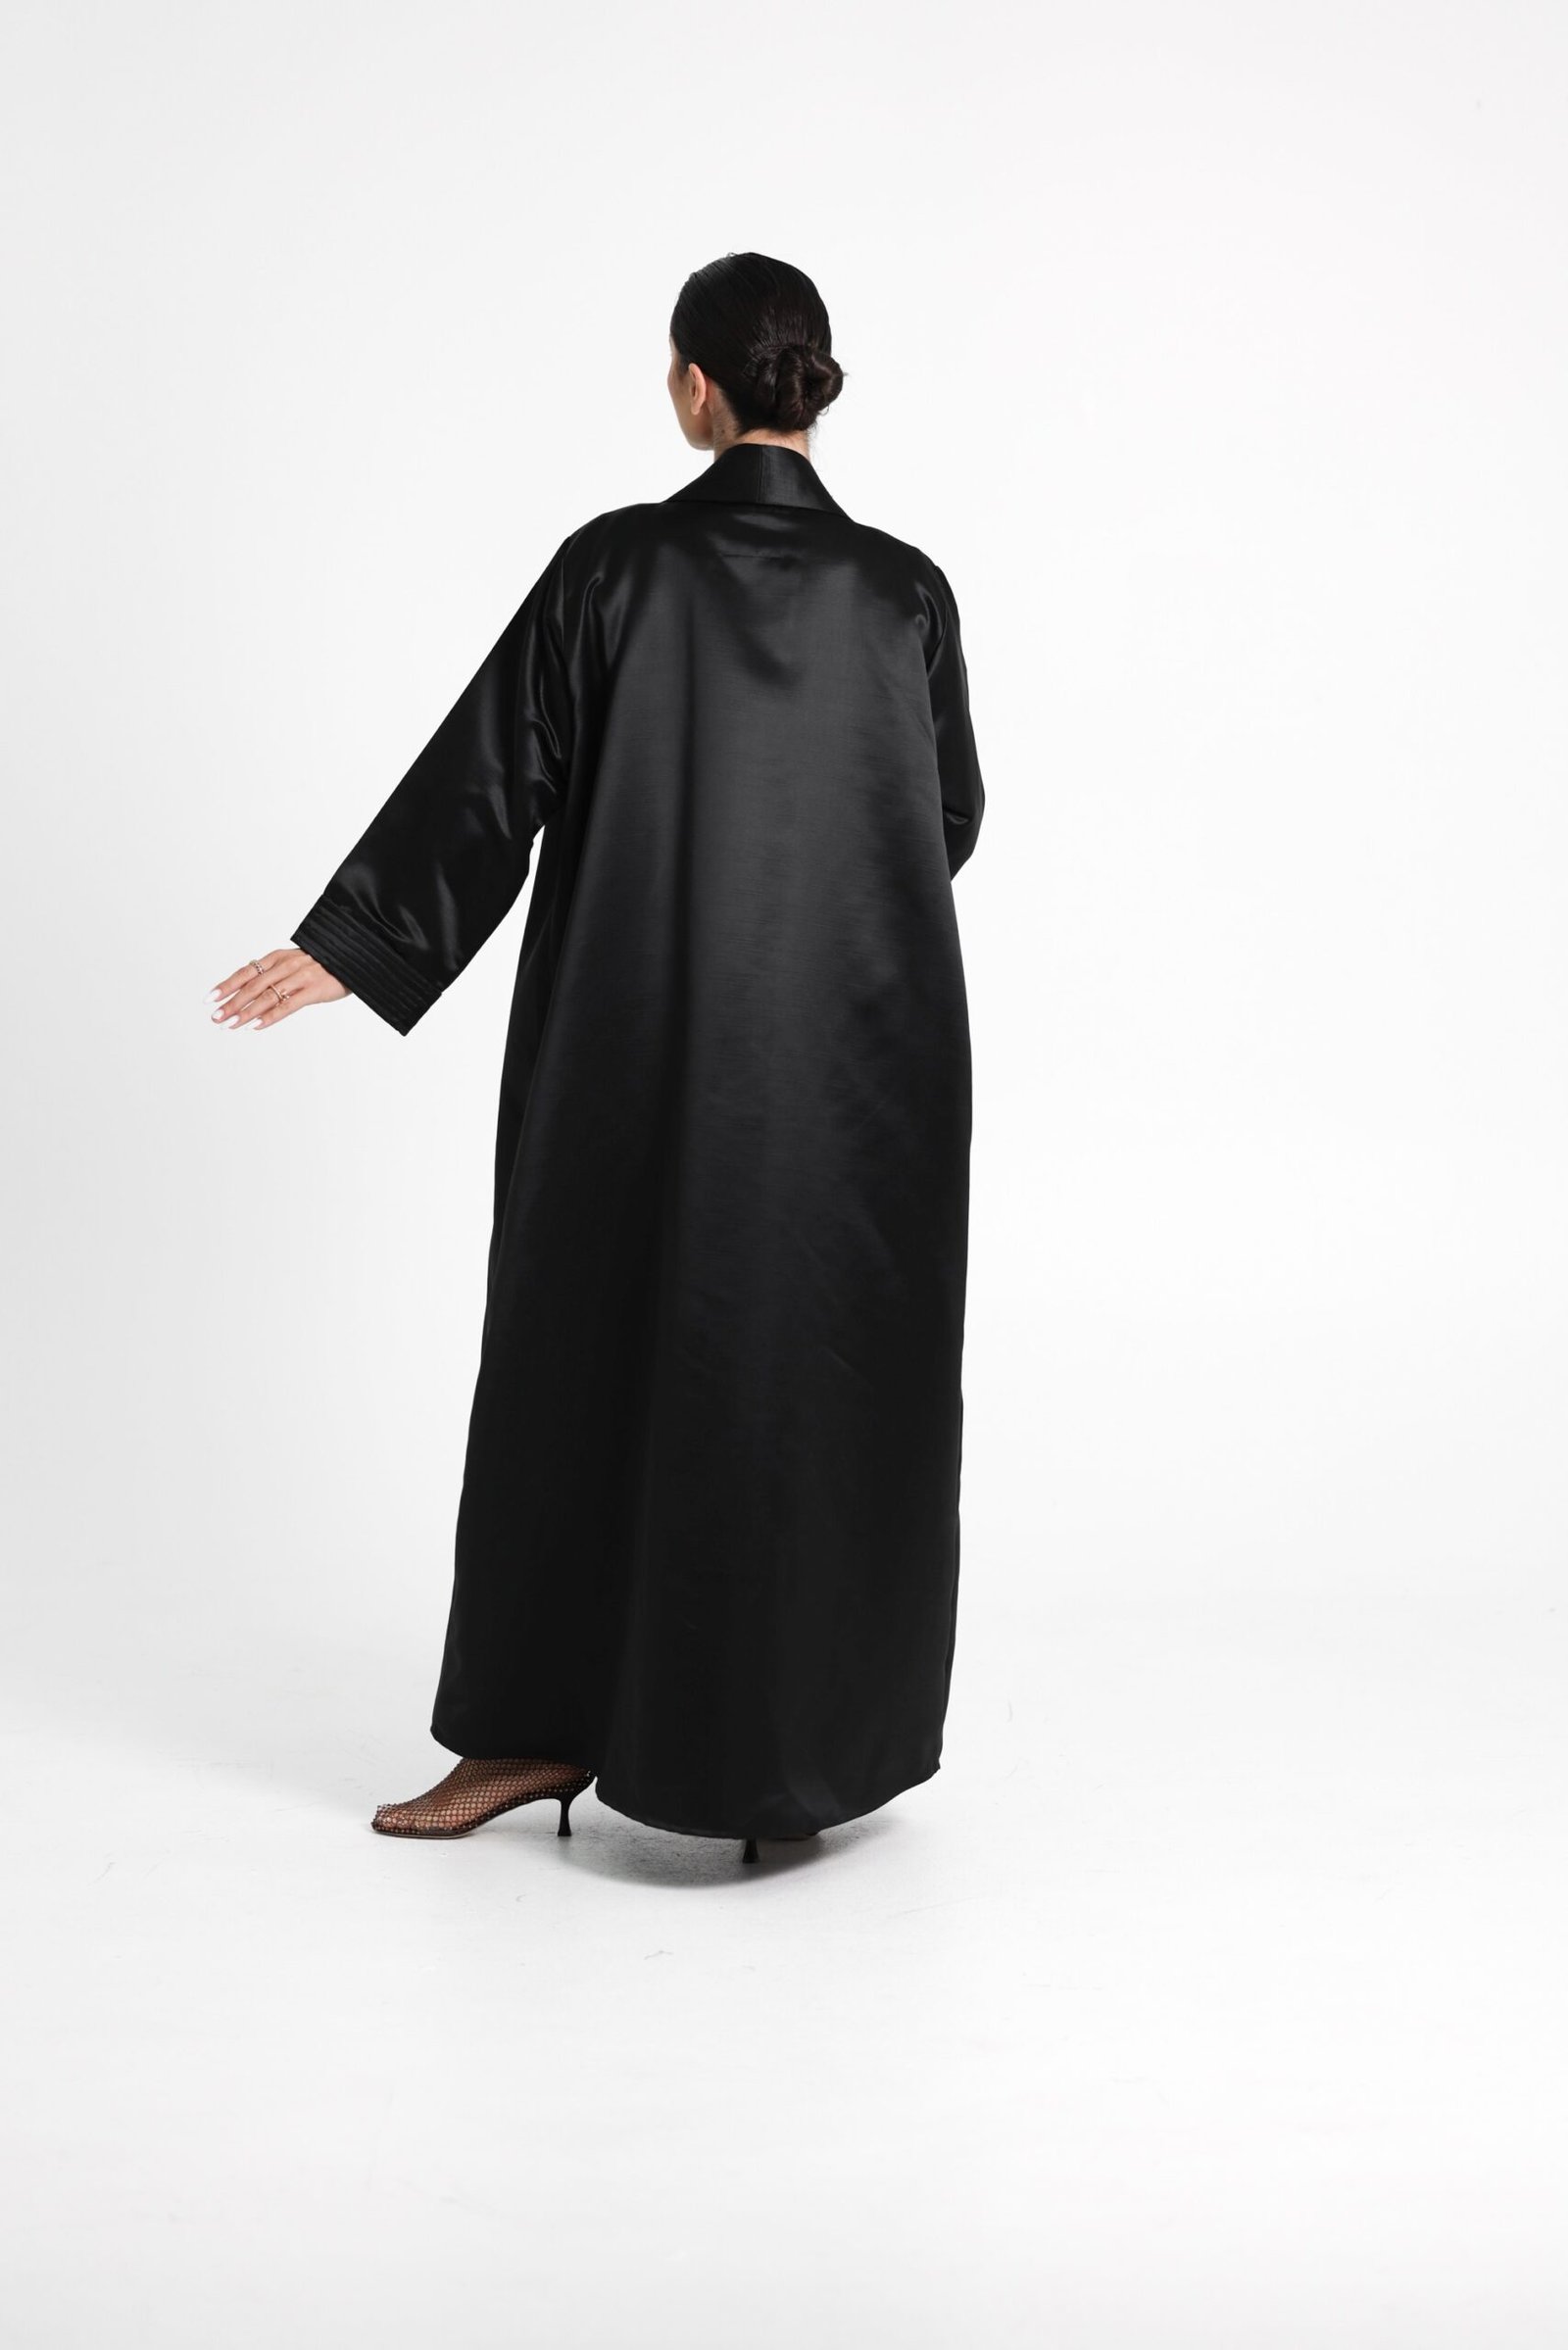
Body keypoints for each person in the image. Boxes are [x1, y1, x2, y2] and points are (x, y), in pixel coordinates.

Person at [207, 252, 985, 1866]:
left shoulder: (614, 571)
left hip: (634, 1043)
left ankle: (542, 1728)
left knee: (588, 1352)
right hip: (865, 1072)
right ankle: (797, 1757)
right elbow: (949, 817)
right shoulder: (905, 594)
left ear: (697, 385)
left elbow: (491, 783)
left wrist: (355, 944)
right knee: (828, 1368)